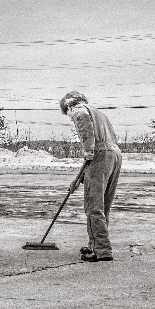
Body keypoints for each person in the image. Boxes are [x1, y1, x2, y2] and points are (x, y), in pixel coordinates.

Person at [59, 91, 122, 262]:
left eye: (68, 115)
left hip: (101, 155)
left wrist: (88, 151)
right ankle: (95, 244)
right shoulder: (98, 112)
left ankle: (101, 250)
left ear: (68, 106)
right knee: (103, 204)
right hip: (114, 154)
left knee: (93, 206)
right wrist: (78, 179)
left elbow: (89, 140)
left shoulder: (79, 110)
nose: (71, 119)